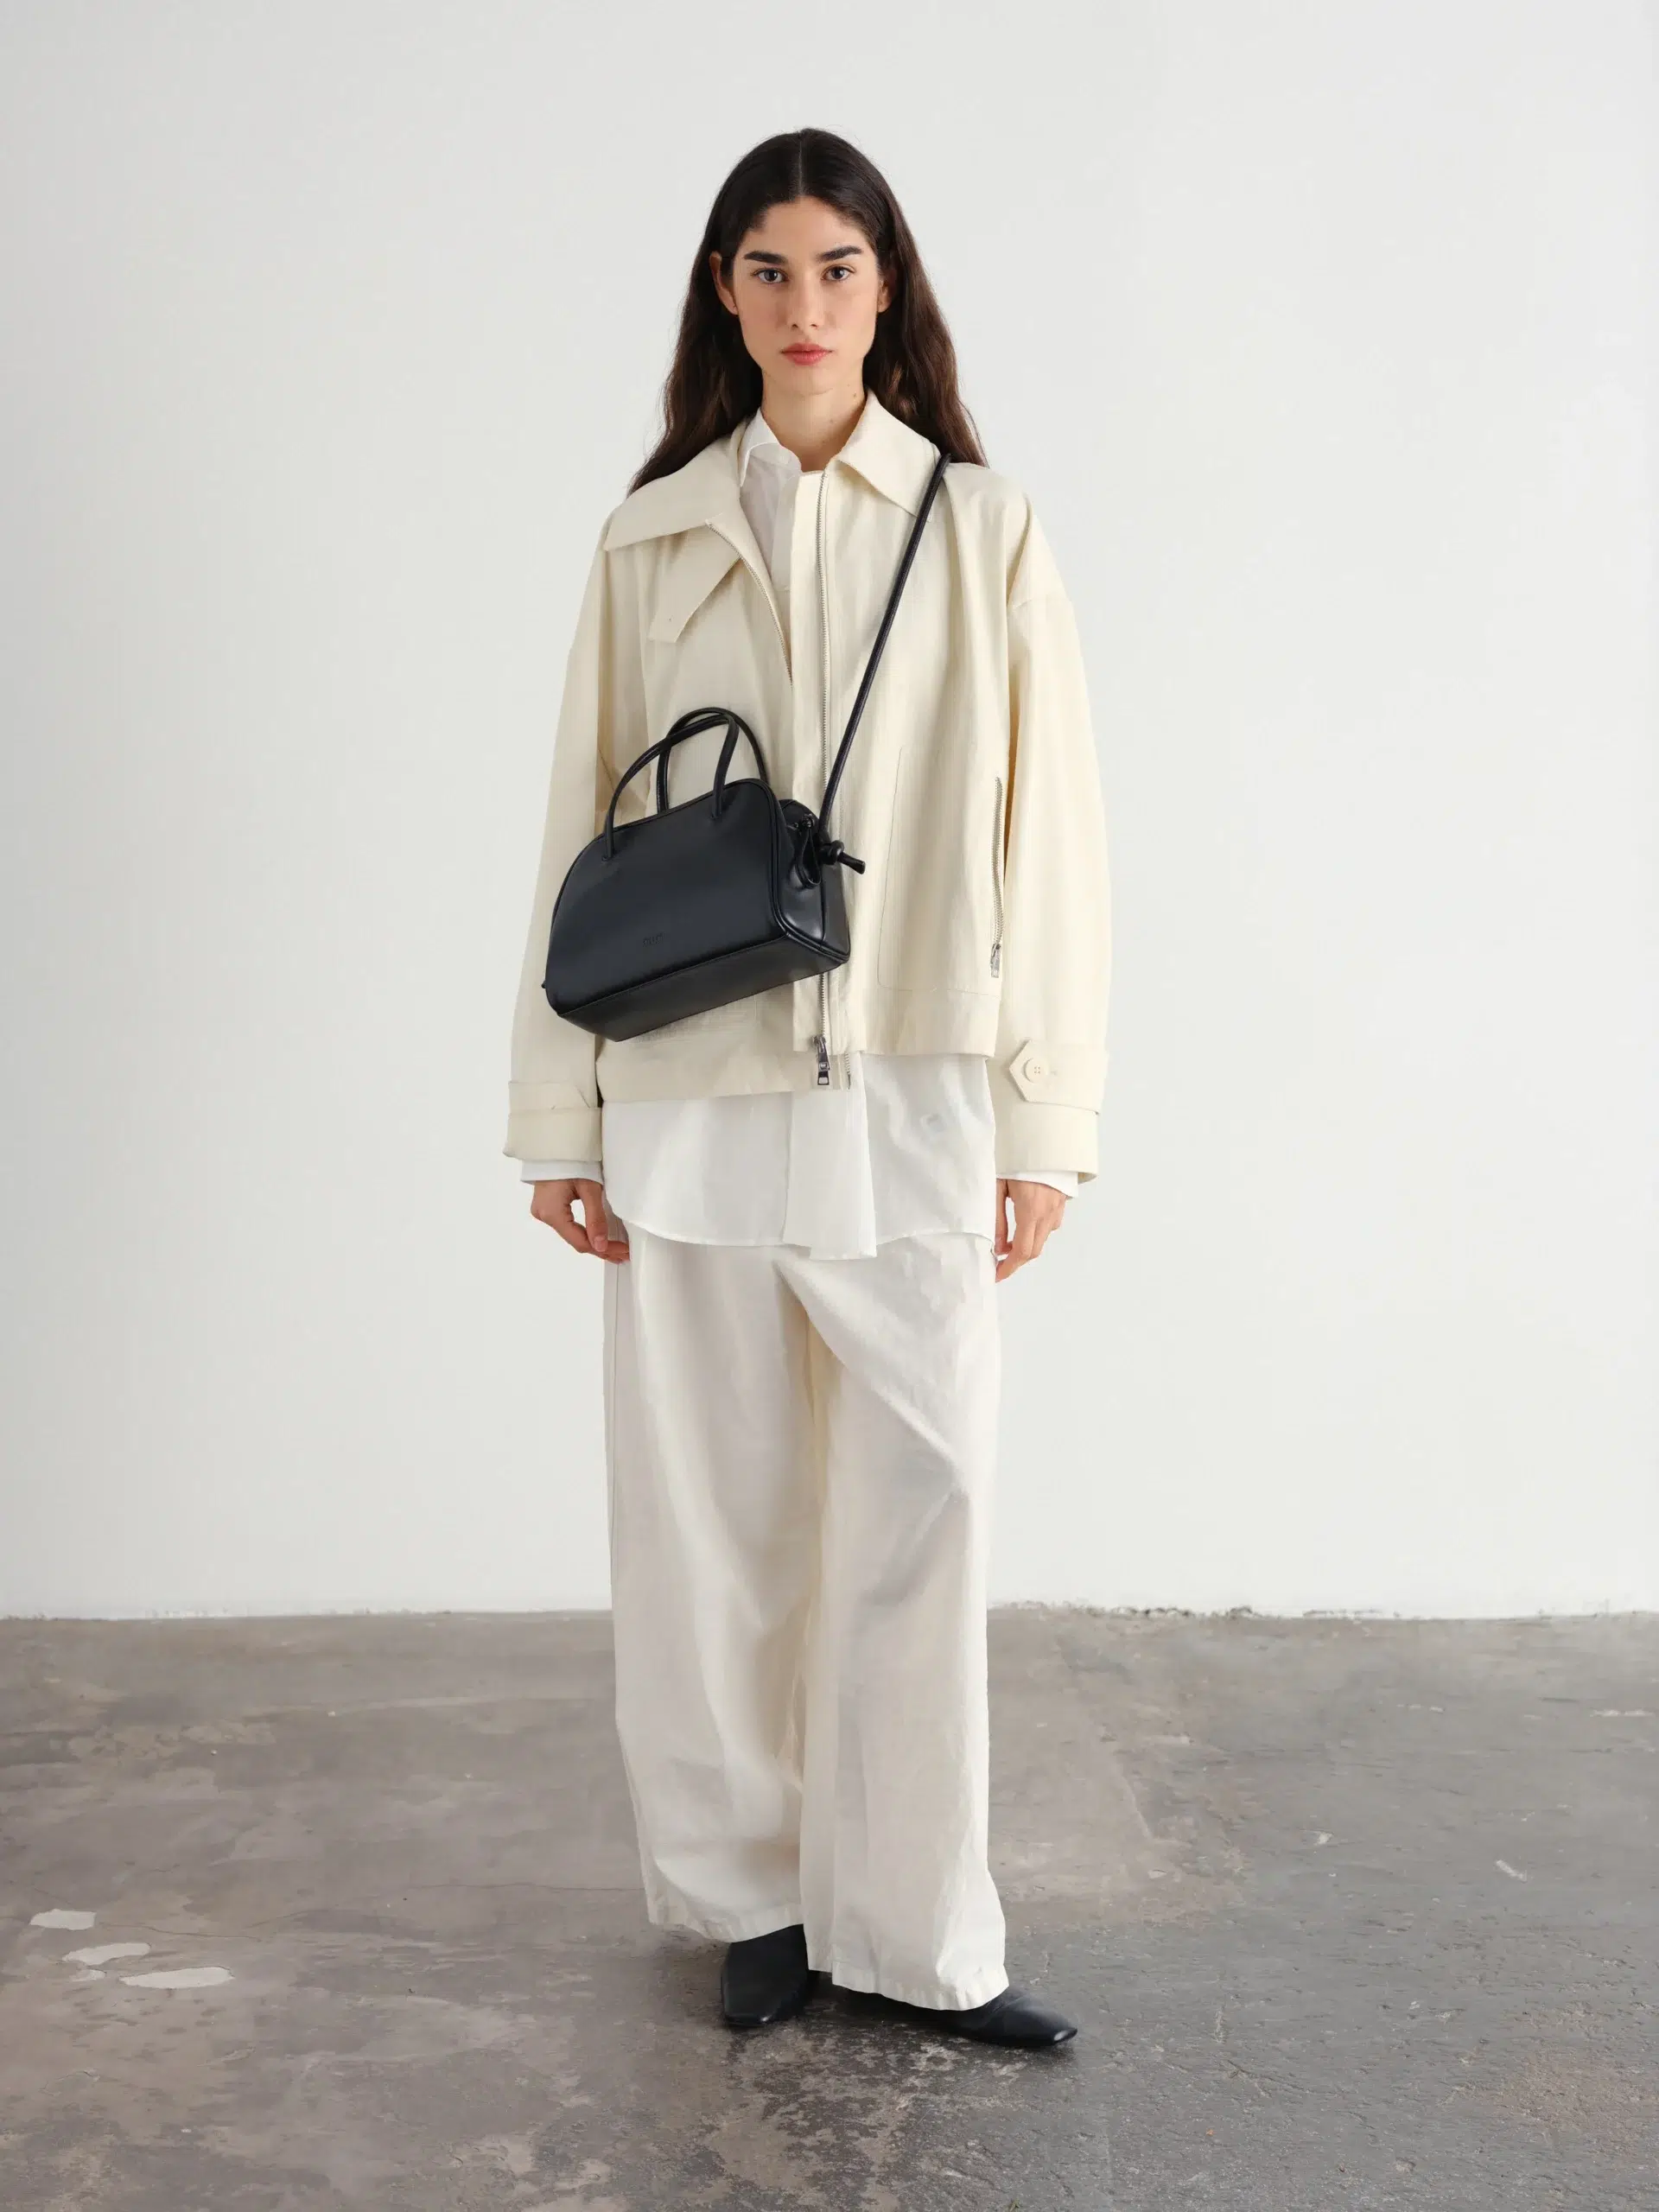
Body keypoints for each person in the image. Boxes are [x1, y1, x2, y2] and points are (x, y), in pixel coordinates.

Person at [504, 128, 1110, 2049]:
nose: (802, 305)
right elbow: (580, 836)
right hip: (690, 1085)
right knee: (709, 1526)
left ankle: (919, 1930)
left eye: (835, 267)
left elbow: (1050, 845)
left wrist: (1046, 1120)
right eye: (764, 269)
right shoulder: (655, 534)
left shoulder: (982, 528)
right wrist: (559, 1116)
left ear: (885, 285)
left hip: (915, 1086)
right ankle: (750, 1900)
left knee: (928, 1505)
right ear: (724, 291)